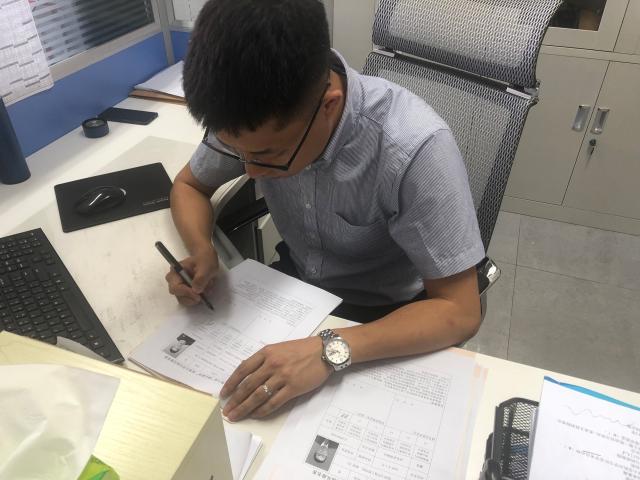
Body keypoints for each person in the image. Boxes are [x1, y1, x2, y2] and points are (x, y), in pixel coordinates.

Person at [166, 0, 485, 422]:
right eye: (236, 152)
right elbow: (190, 185)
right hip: (296, 290)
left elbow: (460, 311)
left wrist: (329, 349)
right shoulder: (251, 116)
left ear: (328, 105)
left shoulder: (413, 148)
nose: (249, 171)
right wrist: (202, 250)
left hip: (389, 314)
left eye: (268, 155)